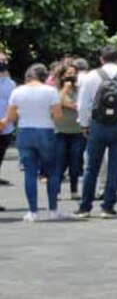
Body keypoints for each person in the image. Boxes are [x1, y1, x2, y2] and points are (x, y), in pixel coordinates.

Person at [74, 45, 117, 219]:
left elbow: (82, 105)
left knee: (92, 167)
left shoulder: (91, 76)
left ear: (101, 59)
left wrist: (84, 125)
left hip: (97, 124)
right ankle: (108, 207)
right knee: (115, 167)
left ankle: (85, 207)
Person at [0, 64, 64, 221]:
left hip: (25, 131)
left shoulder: (17, 91)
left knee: (29, 172)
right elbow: (58, 116)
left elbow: (11, 117)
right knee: (52, 172)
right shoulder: (50, 91)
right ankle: (53, 210)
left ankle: (33, 212)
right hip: (46, 131)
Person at [52, 64, 85, 200]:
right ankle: (57, 190)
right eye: (68, 73)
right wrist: (65, 90)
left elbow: (82, 104)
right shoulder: (55, 89)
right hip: (60, 129)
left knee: (75, 162)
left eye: (73, 73)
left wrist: (69, 105)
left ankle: (74, 190)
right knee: (59, 162)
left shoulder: (80, 89)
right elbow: (55, 102)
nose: (71, 76)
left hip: (77, 129)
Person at [0, 49, 16, 191]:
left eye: (4, 60)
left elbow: (14, 105)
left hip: (6, 127)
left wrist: (6, 121)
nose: (2, 63)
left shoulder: (10, 83)